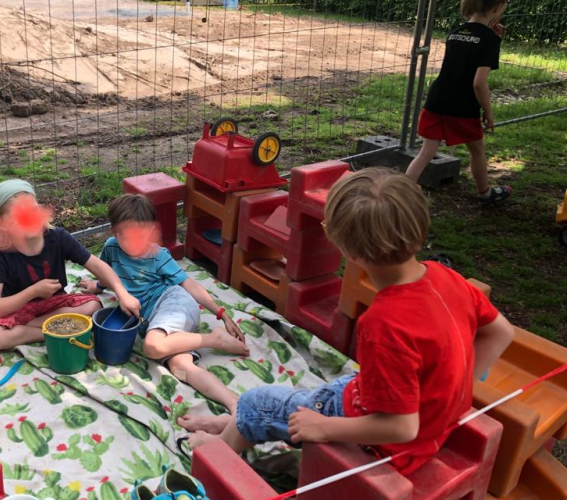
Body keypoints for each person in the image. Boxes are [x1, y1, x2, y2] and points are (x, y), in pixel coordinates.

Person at [180, 168, 515, 475]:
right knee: (329, 390)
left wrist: (325, 428)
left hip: (389, 445)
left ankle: (220, 450)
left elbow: (402, 427)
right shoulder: (447, 276)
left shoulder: (383, 322)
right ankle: (240, 423)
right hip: (408, 416)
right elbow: (501, 332)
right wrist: (453, 394)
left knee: (256, 402)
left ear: (348, 252)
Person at [80, 194, 249, 414]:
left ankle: (215, 339)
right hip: (156, 322)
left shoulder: (158, 256)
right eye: (127, 237)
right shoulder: (111, 248)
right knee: (181, 366)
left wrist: (223, 314)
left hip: (173, 302)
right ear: (114, 232)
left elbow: (190, 285)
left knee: (152, 346)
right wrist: (97, 287)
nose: (135, 243)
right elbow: (108, 273)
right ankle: (234, 404)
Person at [0, 179, 140, 351]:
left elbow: (98, 266)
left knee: (94, 306)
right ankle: (50, 331)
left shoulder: (58, 237)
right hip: (18, 310)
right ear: (1, 224)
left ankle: (34, 328)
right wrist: (33, 291)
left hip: (55, 305)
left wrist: (123, 294)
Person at [406, 0, 511, 204]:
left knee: (426, 152)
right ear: (497, 8)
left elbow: (469, 47)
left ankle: (399, 195)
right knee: (477, 150)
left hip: (437, 100)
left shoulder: (455, 32)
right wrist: (488, 112)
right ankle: (485, 193)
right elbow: (479, 83)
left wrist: (491, 35)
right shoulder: (490, 39)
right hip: (463, 107)